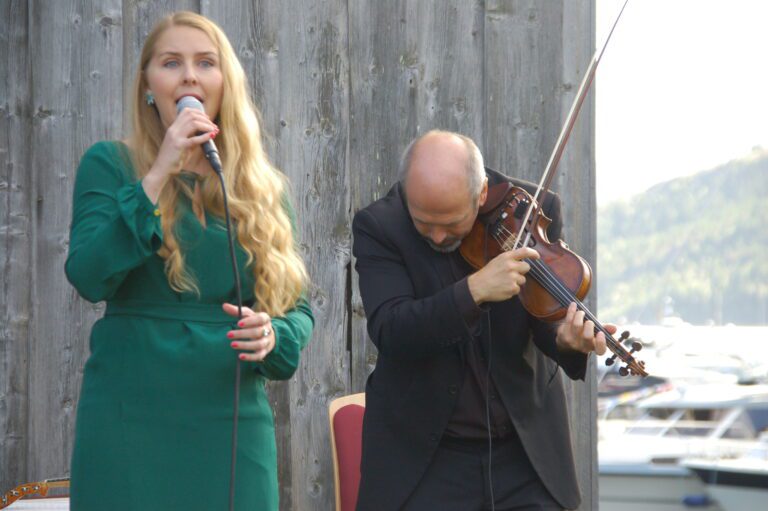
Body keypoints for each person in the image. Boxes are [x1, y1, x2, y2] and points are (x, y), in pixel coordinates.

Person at [65, 11, 313, 511]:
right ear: (148, 87)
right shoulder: (109, 164)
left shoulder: (262, 189)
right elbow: (89, 275)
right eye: (171, 63)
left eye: (206, 63)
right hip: (130, 417)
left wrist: (272, 334)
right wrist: (158, 172)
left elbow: (296, 309)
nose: (190, 76)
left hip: (231, 419)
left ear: (226, 83)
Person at [352, 130, 615, 511]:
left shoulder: (533, 209)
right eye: (423, 222)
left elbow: (541, 316)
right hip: (425, 458)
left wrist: (565, 340)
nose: (438, 235)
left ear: (480, 194)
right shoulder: (380, 226)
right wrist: (473, 290)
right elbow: (392, 330)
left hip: (523, 455)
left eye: (453, 221)